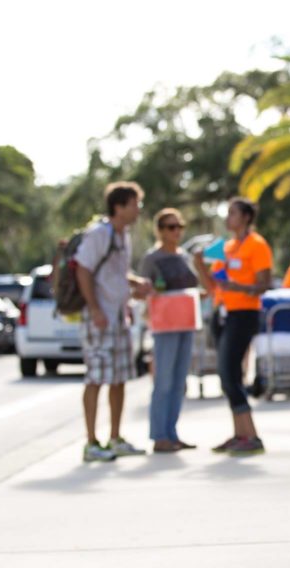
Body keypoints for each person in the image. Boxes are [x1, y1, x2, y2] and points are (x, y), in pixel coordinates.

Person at [74, 181, 151, 462]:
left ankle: (115, 437)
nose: (138, 209)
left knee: (119, 377)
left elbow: (116, 272)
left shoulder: (122, 235)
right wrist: (95, 309)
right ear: (119, 207)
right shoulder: (99, 234)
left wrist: (135, 284)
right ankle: (91, 442)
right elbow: (83, 270)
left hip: (119, 316)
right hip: (100, 317)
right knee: (96, 377)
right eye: (134, 204)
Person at [193, 197, 272, 455]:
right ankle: (240, 434)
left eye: (233, 213)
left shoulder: (257, 245)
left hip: (244, 314)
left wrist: (238, 287)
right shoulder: (225, 247)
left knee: (229, 372)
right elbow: (213, 285)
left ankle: (252, 436)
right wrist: (198, 265)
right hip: (222, 314)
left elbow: (264, 285)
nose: (228, 218)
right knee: (228, 375)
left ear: (246, 217)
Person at [137, 208, 199, 453]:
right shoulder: (152, 259)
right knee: (163, 381)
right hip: (164, 325)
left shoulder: (185, 256)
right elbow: (142, 290)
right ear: (160, 231)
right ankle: (159, 435)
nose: (176, 232)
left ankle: (172, 433)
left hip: (187, 322)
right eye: (171, 227)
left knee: (179, 382)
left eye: (179, 226)